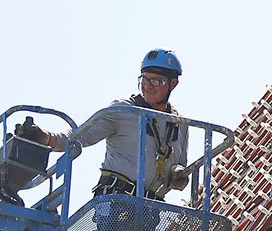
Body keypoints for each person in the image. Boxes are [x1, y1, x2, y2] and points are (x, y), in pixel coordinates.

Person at [39, 49, 192, 201]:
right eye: (144, 79)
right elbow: (80, 137)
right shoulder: (123, 111)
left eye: (157, 81)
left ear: (173, 83)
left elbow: (179, 168)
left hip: (151, 209)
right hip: (116, 200)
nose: (148, 86)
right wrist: (47, 138)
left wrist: (179, 175)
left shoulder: (179, 124)